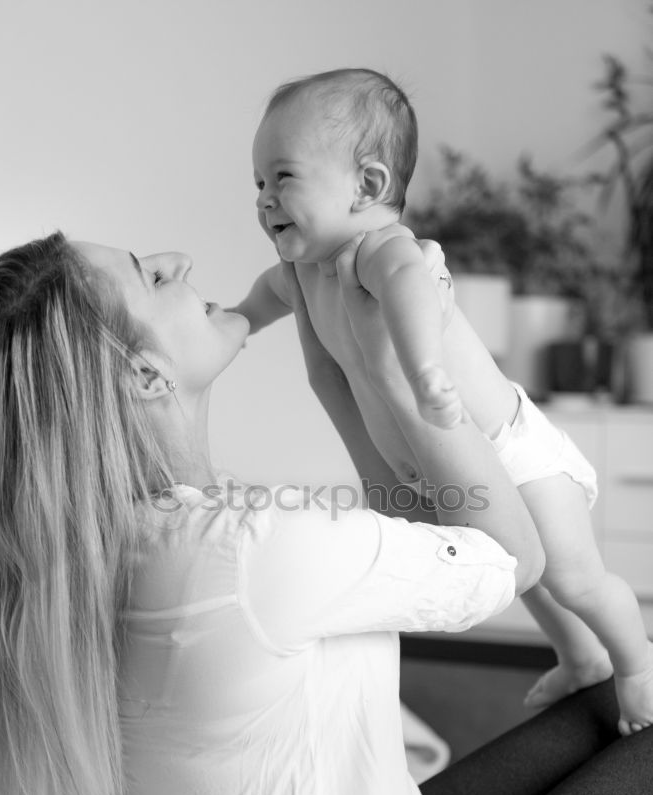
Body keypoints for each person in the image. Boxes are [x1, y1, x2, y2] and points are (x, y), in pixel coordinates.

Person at [0, 228, 652, 795]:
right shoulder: (246, 550)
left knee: (619, 696)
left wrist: (336, 369)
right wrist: (409, 370)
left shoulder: (136, 546)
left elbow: (403, 533)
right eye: (147, 275)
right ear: (143, 375)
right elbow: (512, 558)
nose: (178, 258)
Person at [234, 66, 653, 734]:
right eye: (258, 182)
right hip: (447, 470)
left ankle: (636, 664)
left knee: (574, 580)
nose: (264, 199)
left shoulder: (383, 249)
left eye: (283, 177)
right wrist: (233, 321)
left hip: (515, 451)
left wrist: (426, 369)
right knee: (522, 577)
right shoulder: (304, 273)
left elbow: (409, 291)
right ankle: (581, 657)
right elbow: (262, 299)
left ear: (368, 185)